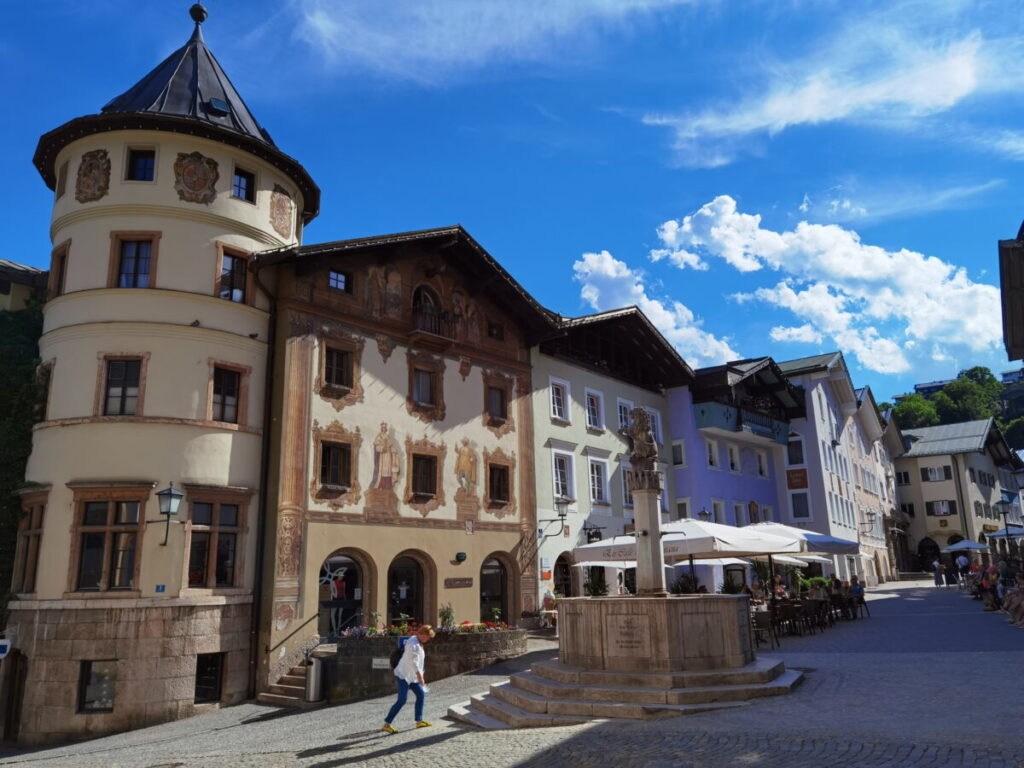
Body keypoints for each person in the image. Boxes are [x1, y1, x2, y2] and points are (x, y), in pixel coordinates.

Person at [382, 624, 436, 733]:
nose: (428, 639)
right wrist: (421, 678)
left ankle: (419, 721)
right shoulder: (414, 644)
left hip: (412, 676)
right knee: (402, 700)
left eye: (429, 637)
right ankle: (387, 724)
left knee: (420, 694)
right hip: (404, 675)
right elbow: (414, 663)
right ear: (422, 634)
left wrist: (419, 676)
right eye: (427, 636)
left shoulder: (415, 639)